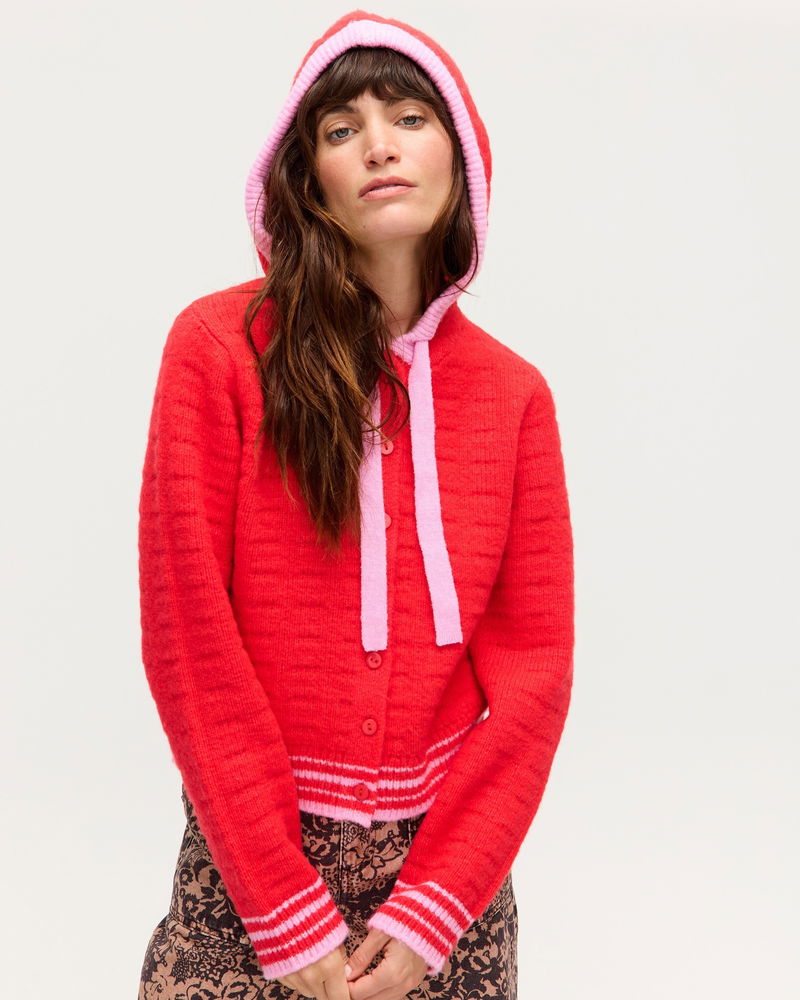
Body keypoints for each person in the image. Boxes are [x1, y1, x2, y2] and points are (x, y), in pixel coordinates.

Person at [137, 9, 575, 1000]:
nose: (379, 145)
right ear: (308, 177)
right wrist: (277, 899)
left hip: (448, 886)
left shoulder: (514, 396)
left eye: (409, 117)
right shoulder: (218, 351)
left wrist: (437, 905)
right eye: (342, 129)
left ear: (460, 157)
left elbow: (535, 675)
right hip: (249, 863)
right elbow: (187, 631)